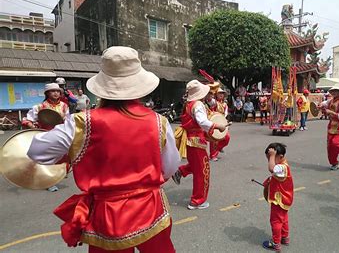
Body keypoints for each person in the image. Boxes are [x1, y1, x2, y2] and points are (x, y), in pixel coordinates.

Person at [27, 46, 181, 252]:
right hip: (151, 207)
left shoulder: (81, 123)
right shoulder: (158, 122)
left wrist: (72, 152)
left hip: (107, 214)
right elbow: (171, 166)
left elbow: (36, 151)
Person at [172, 80, 227, 210]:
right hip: (197, 141)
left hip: (191, 141)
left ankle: (180, 172)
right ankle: (197, 201)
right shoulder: (198, 105)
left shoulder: (189, 104)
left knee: (197, 166)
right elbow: (202, 121)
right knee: (202, 171)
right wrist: (217, 125)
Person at [22, 82, 70, 192]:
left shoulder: (64, 106)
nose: (56, 93)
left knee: (61, 159)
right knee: (48, 160)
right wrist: (32, 126)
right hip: (45, 137)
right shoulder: (39, 107)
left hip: (60, 136)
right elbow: (26, 120)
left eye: (58, 91)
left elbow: (68, 121)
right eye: (53, 91)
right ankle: (49, 182)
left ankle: (54, 177)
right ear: (47, 93)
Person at [262, 143, 293, 251]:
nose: (270, 161)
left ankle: (276, 243)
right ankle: (285, 238)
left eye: (271, 158)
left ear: (279, 157)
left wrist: (271, 155)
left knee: (276, 221)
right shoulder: (282, 165)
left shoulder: (281, 167)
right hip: (284, 200)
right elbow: (275, 175)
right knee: (284, 219)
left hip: (279, 200)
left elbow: (272, 169)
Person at [320, 84, 339, 170]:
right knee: (330, 146)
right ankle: (334, 163)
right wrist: (320, 106)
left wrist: (330, 112)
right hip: (331, 126)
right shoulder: (331, 101)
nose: (333, 92)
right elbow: (324, 103)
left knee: (336, 143)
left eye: (336, 91)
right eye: (333, 91)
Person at [209, 88, 231, 162]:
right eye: (219, 93)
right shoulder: (214, 102)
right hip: (215, 122)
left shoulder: (225, 104)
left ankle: (219, 148)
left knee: (227, 138)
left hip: (222, 122)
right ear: (216, 95)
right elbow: (210, 103)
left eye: (222, 93)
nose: (221, 95)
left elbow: (225, 114)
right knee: (214, 140)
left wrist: (226, 122)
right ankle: (213, 155)